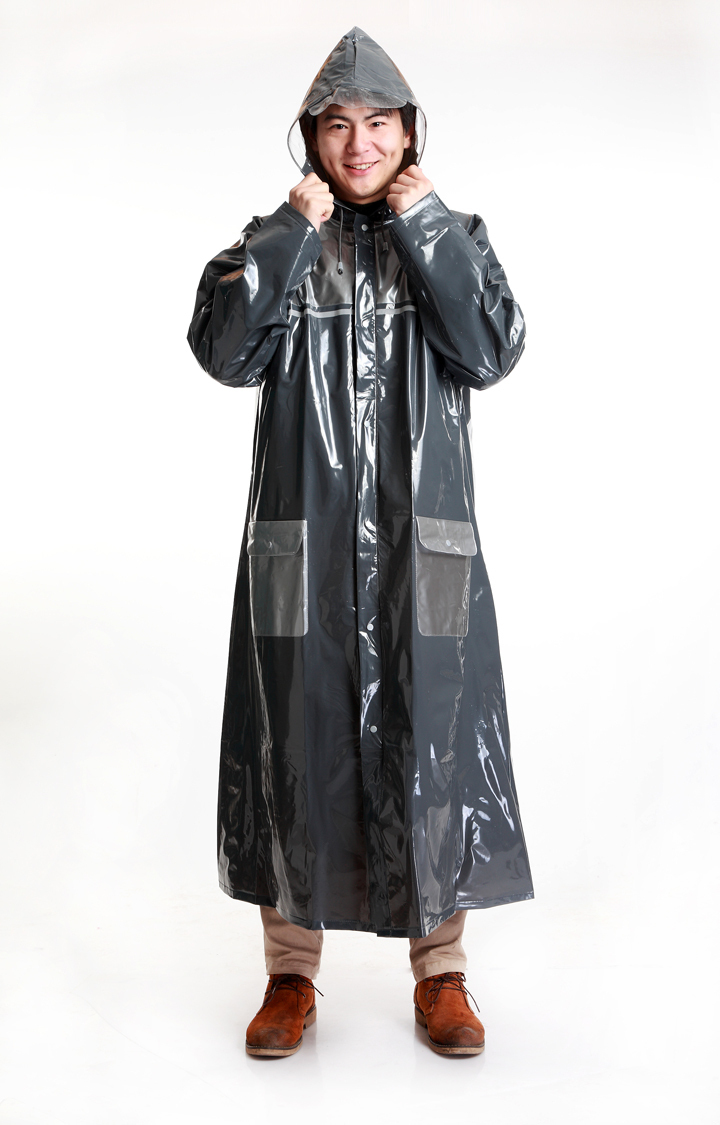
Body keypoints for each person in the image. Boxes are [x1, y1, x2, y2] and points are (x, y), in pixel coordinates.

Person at [187, 27, 533, 1059]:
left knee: (436, 735)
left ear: (409, 133)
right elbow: (225, 353)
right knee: (293, 742)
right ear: (312, 138)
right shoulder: (276, 244)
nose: (359, 143)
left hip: (424, 548)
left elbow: (489, 350)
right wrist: (289, 235)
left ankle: (443, 973)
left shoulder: (452, 233)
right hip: (305, 546)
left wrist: (428, 225)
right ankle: (290, 975)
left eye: (378, 122)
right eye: (338, 124)